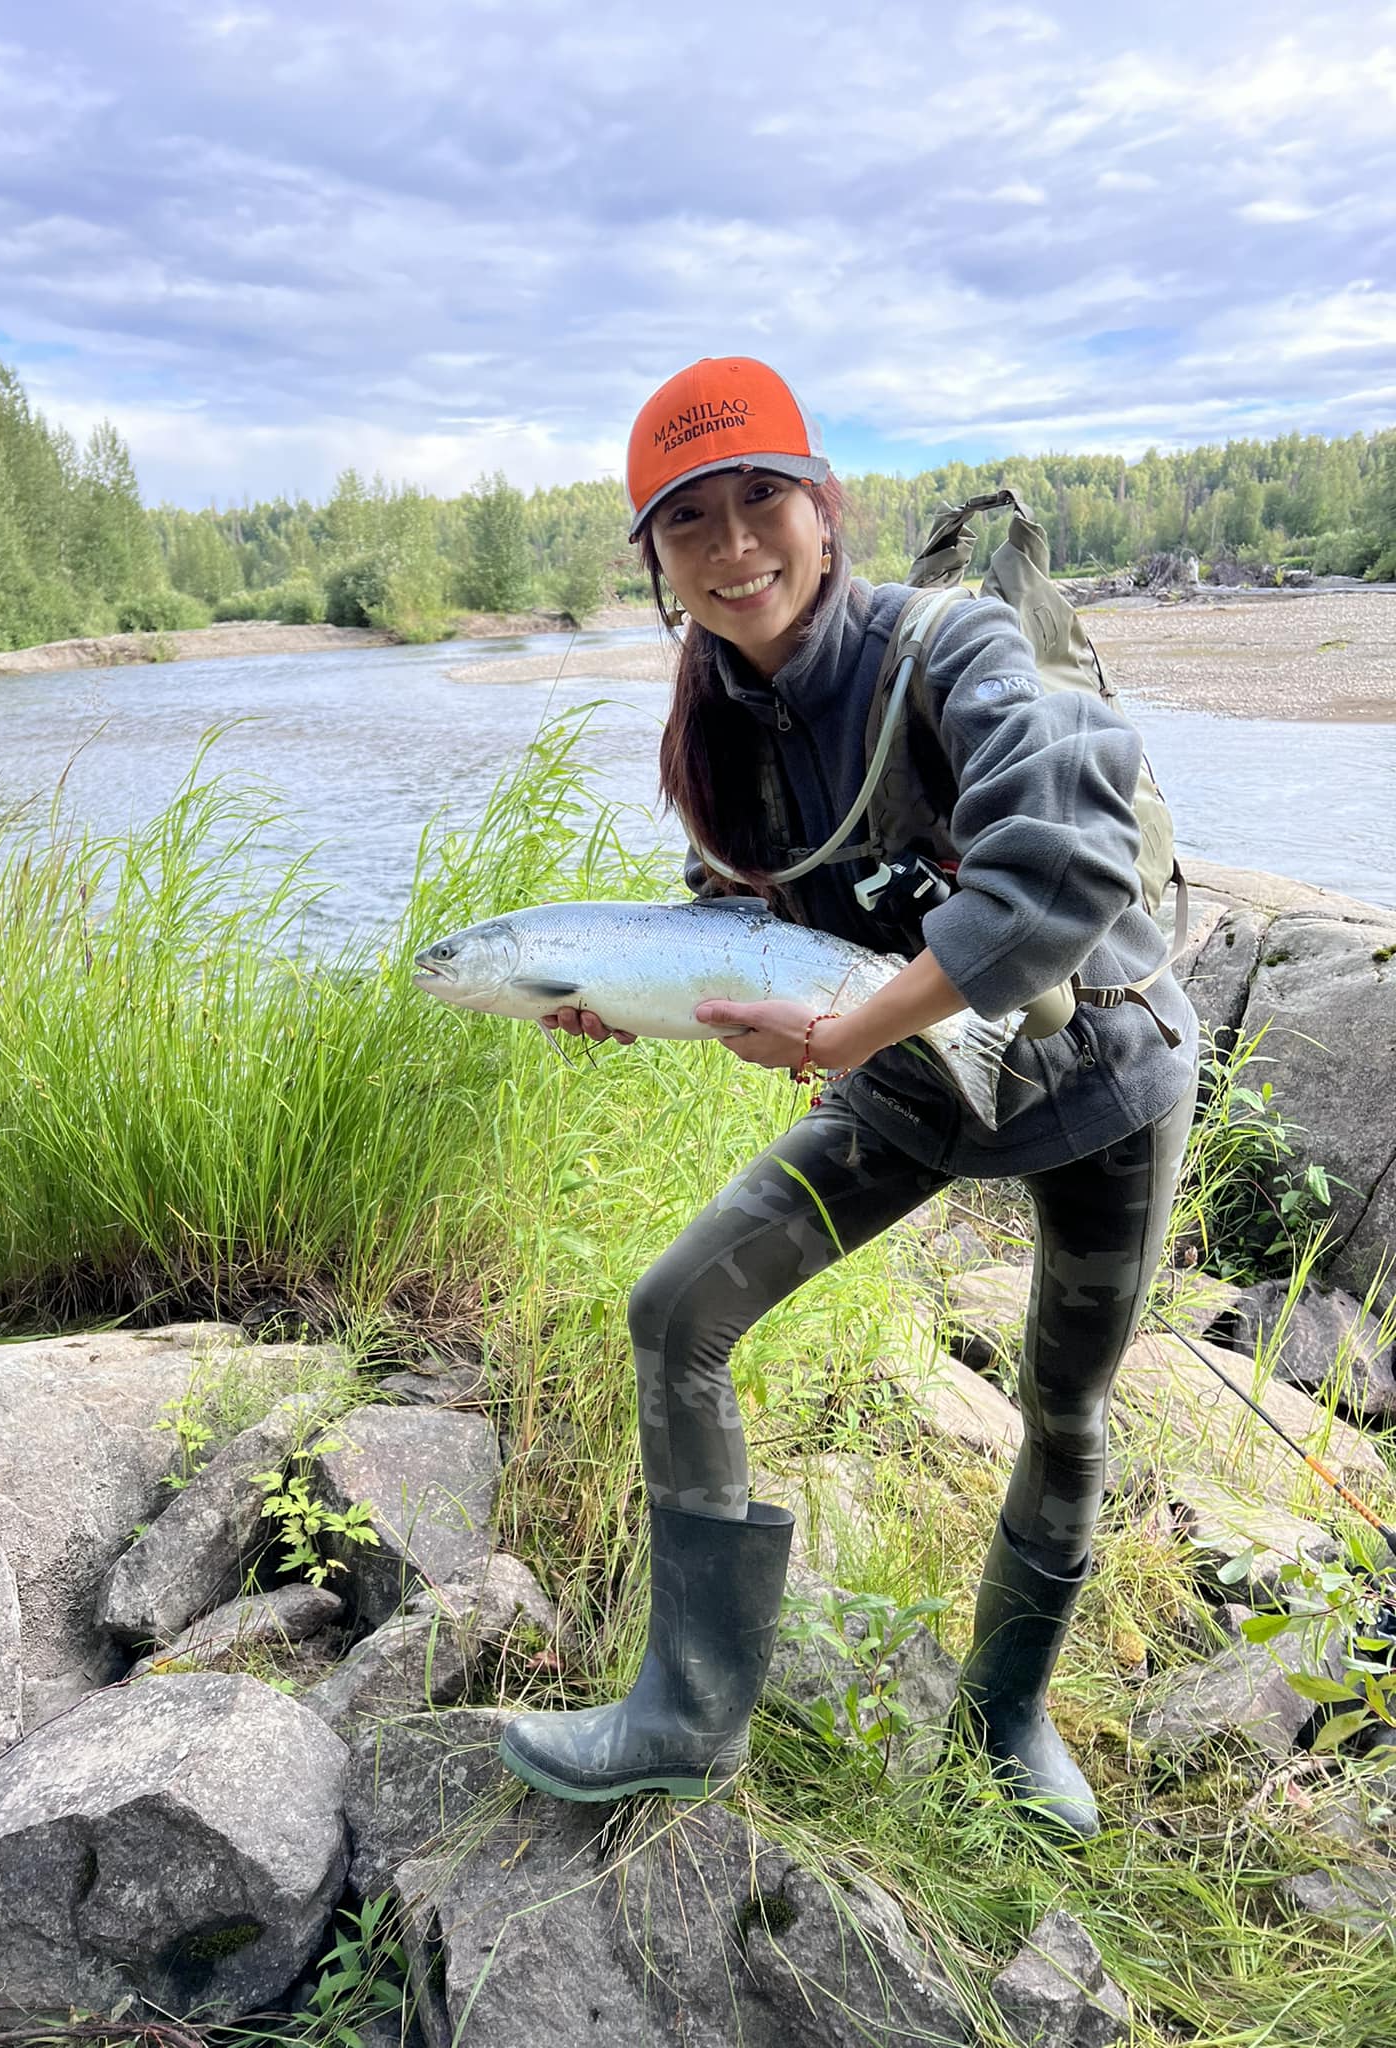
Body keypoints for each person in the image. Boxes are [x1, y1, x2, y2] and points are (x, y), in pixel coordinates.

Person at [497, 357, 1198, 1837]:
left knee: (1063, 1408)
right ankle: (688, 1712)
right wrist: (642, 1005)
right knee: (676, 1312)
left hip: (1098, 1079)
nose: (736, 547)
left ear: (825, 509)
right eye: (692, 525)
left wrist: (851, 1023)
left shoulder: (959, 649)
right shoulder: (715, 734)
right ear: (656, 564)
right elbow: (732, 922)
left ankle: (1006, 1719)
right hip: (898, 1086)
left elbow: (1065, 866)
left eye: (764, 503)